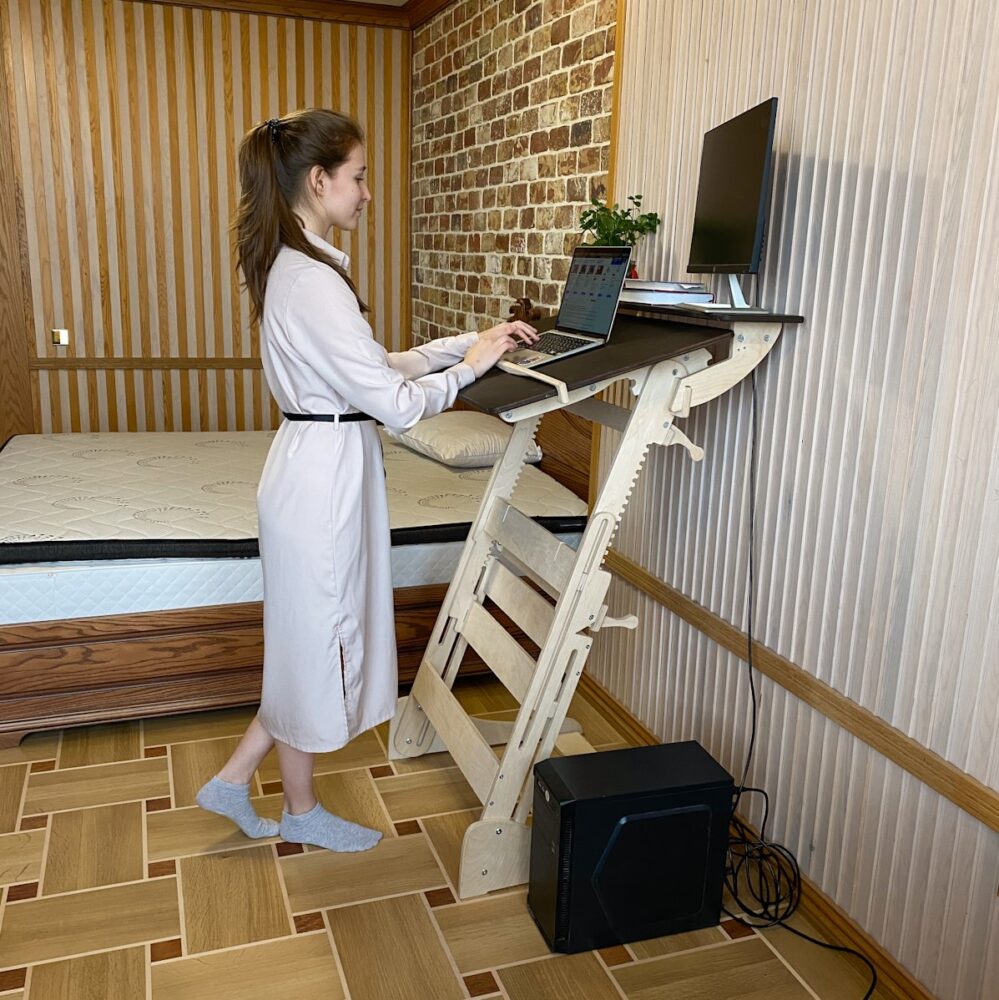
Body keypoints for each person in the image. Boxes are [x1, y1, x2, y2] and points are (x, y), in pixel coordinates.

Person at [195, 109, 538, 852]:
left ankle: (233, 780)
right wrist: (470, 370)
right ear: (319, 181)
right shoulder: (310, 280)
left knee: (305, 644)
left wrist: (468, 344)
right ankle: (299, 811)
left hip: (315, 463)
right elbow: (397, 403)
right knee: (318, 647)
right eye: (359, 177)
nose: (368, 193)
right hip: (323, 479)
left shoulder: (298, 267)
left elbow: (376, 367)